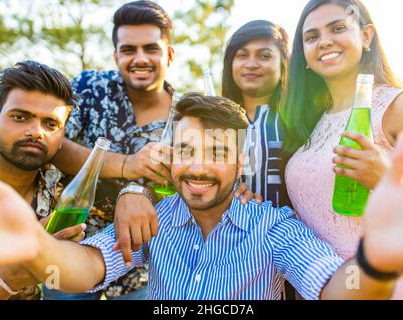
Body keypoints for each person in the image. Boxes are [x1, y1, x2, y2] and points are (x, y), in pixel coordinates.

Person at [0, 93, 403, 300]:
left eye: (217, 152)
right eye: (187, 151)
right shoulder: (153, 218)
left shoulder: (272, 226)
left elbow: (336, 291)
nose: (198, 167)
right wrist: (38, 248)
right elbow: (84, 270)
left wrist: (377, 262)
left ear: (241, 164)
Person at [44, 1, 255, 300]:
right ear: (116, 55)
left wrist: (138, 192)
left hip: (145, 259)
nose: (139, 58)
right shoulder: (90, 87)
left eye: (151, 48)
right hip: (72, 243)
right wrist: (127, 165)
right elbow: (54, 145)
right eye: (129, 49)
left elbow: (187, 182)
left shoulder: (187, 114)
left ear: (169, 54)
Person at [282, 0, 403, 299]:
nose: (324, 41)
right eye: (311, 37)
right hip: (322, 289)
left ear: (366, 36)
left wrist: (386, 178)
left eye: (337, 28)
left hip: (391, 286)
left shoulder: (401, 107)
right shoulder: (307, 123)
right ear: (305, 57)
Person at [0, 61, 86, 300]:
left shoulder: (68, 191)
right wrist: (11, 274)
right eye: (20, 117)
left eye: (51, 124)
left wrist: (132, 192)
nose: (36, 132)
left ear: (61, 138)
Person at [222, 20, 292, 208]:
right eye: (242, 55)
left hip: (288, 232)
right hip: (227, 231)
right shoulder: (213, 122)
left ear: (283, 64)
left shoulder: (299, 120)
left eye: (264, 56)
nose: (251, 64)